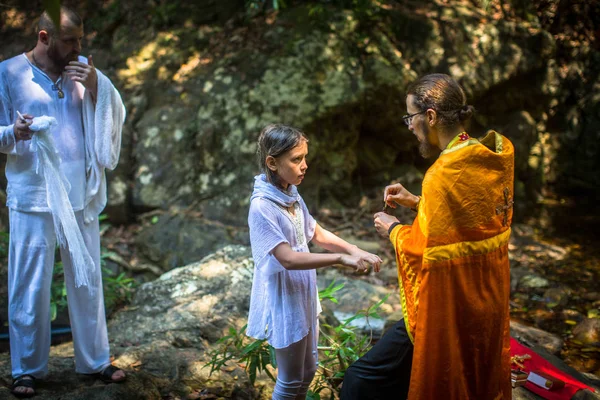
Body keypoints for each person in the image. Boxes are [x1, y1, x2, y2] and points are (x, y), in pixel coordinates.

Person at [341, 73, 514, 399]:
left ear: (430, 117)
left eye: (410, 116)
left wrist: (392, 229)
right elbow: (470, 223)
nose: (408, 125)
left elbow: (425, 252)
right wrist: (417, 202)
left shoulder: (442, 174)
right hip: (485, 301)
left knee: (360, 381)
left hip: (446, 305)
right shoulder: (490, 157)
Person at [0, 7, 126, 397]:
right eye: (71, 40)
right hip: (33, 197)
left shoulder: (82, 69)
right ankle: (26, 369)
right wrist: (15, 132)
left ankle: (96, 360)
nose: (79, 48)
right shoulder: (7, 73)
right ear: (44, 37)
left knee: (87, 281)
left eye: (81, 40)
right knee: (30, 284)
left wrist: (96, 87)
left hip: (80, 195)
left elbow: (112, 110)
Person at [247, 124, 382, 400]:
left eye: (305, 157)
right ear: (272, 162)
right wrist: (341, 259)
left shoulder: (290, 194)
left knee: (308, 372)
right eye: (297, 159)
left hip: (304, 291)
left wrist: (354, 249)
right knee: (289, 379)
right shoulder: (262, 206)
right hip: (284, 295)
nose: (305, 165)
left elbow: (315, 232)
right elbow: (287, 258)